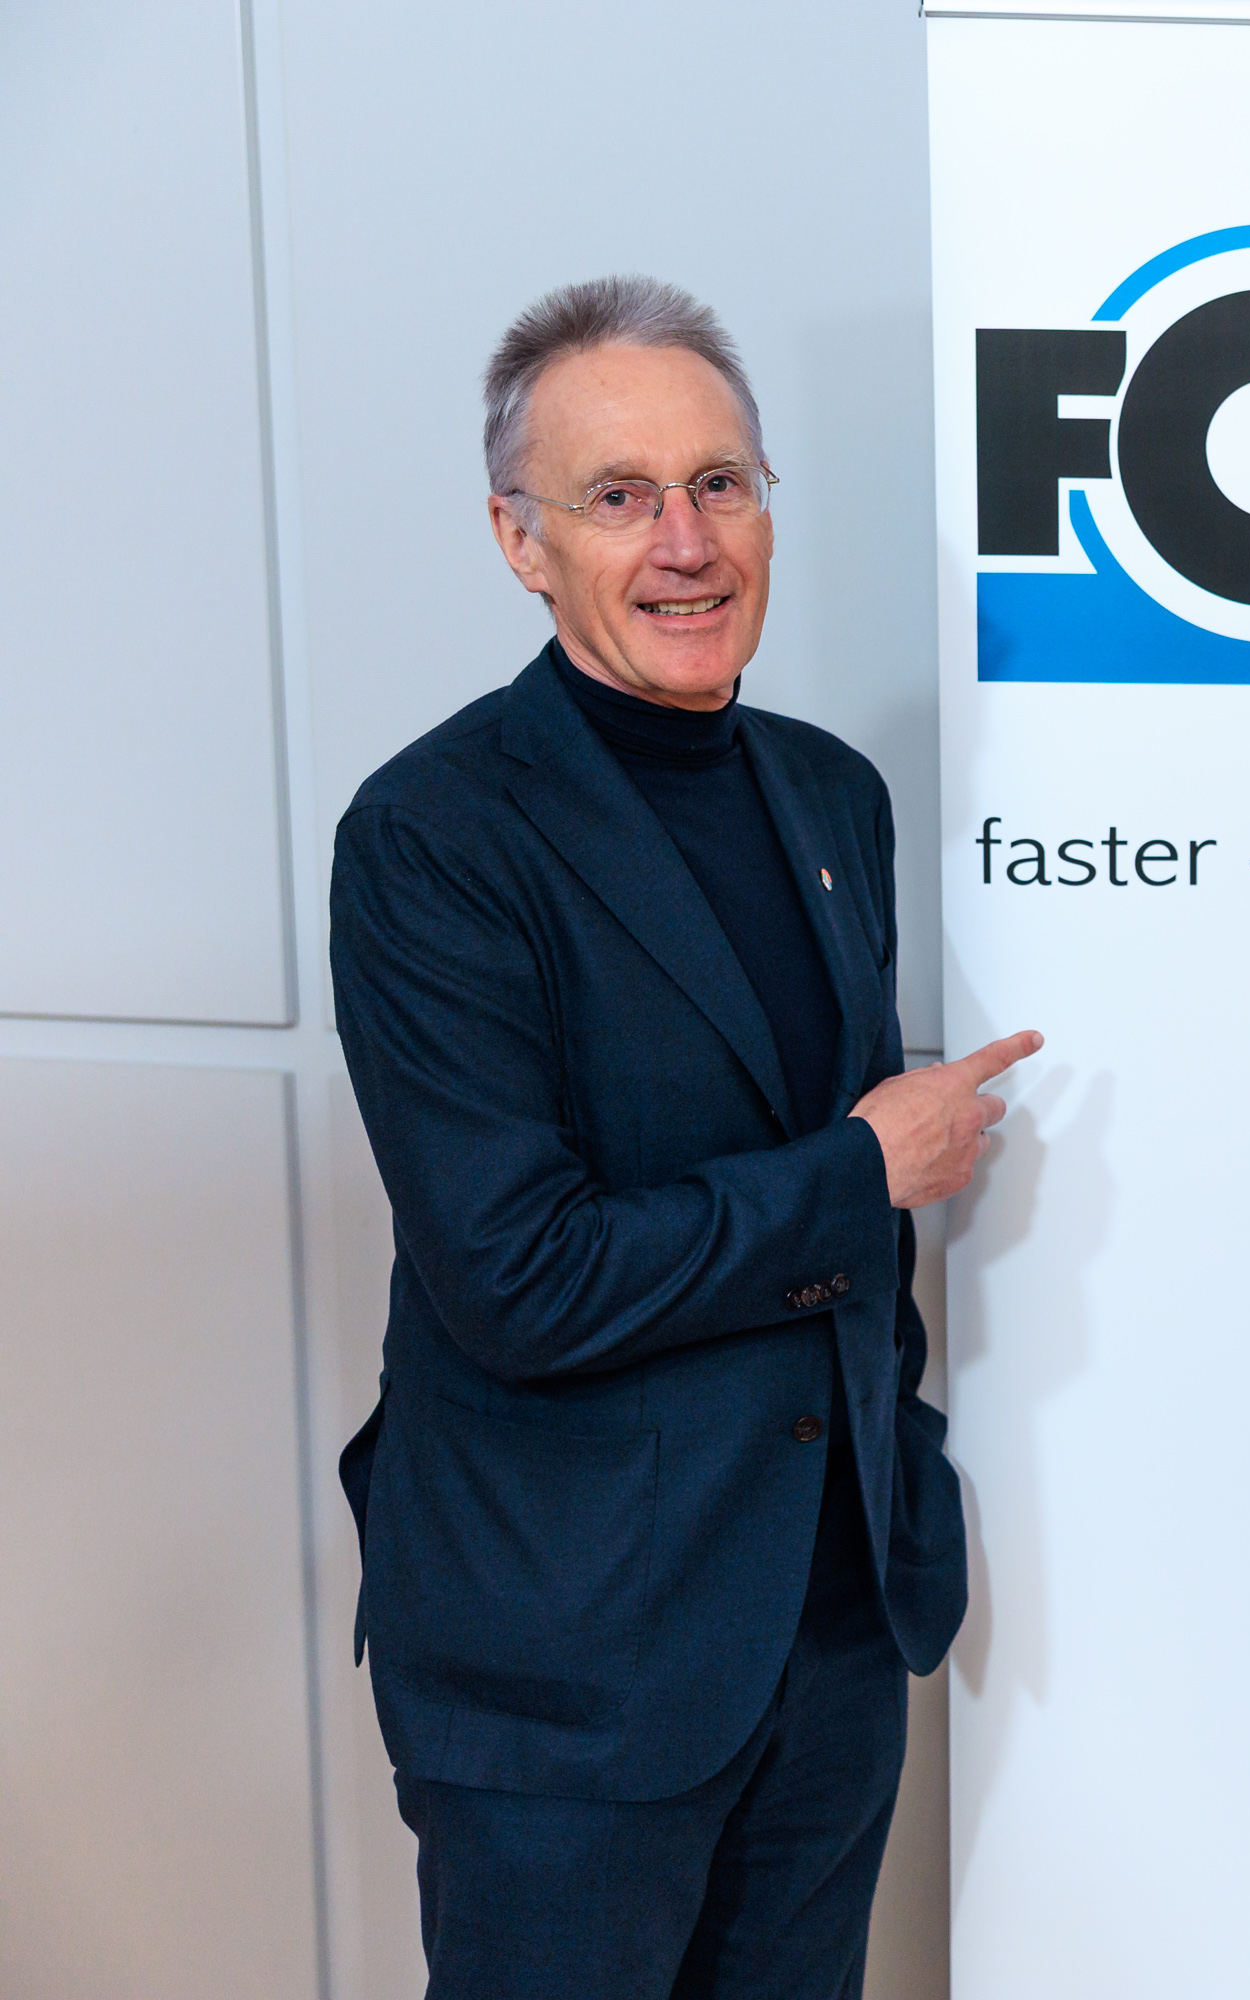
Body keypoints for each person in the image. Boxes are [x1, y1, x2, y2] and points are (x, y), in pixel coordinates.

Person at [330, 275, 1037, 1999]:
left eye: (721, 483)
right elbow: (519, 1276)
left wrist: (892, 1492)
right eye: (620, 495)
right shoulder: (433, 835)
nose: (686, 543)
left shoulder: (829, 795)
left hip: (826, 1635)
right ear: (521, 541)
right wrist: (861, 1174)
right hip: (570, 1665)